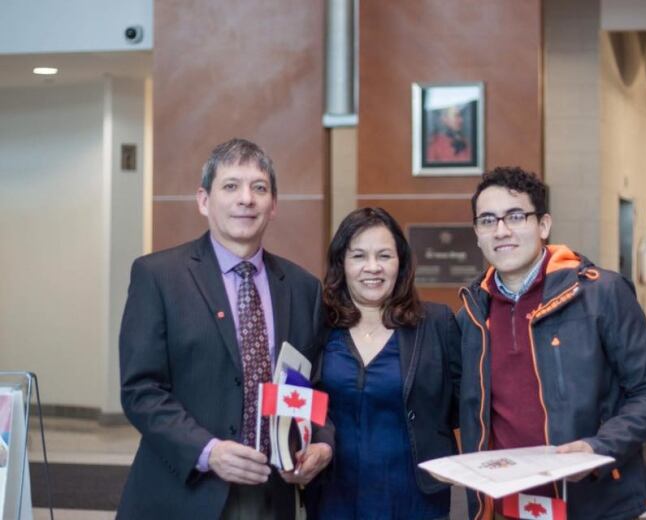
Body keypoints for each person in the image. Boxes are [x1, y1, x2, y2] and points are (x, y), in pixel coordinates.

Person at [118, 138, 333, 519]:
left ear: (273, 205)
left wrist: (322, 444)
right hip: (182, 490)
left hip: (271, 492)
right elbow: (141, 390)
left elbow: (313, 386)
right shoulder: (158, 277)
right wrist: (208, 452)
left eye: (259, 188)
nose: (246, 199)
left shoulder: (303, 289)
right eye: (231, 186)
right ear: (204, 200)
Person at [457, 167, 646, 520]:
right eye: (487, 220)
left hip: (598, 503)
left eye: (515, 216)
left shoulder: (601, 294)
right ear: (477, 234)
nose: (501, 231)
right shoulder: (471, 315)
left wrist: (597, 448)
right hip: (509, 506)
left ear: (543, 225)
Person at [314, 207, 461, 519]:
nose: (372, 267)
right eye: (358, 256)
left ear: (401, 263)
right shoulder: (319, 325)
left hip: (415, 497)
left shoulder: (436, 323)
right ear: (342, 263)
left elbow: (466, 407)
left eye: (384, 255)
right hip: (334, 496)